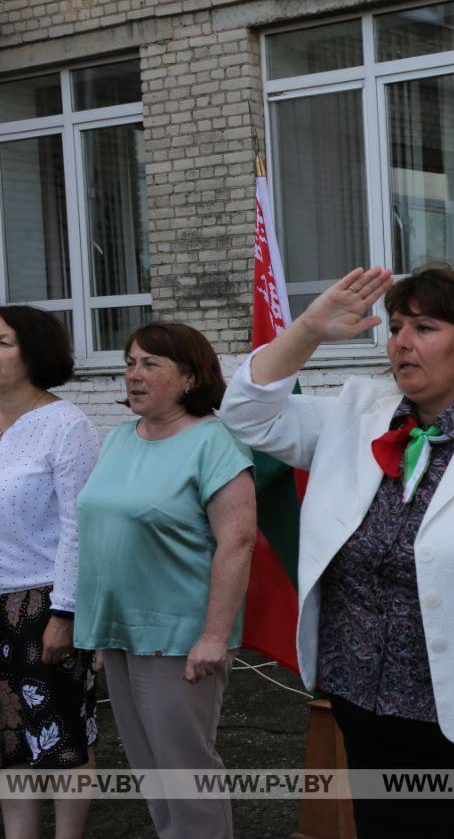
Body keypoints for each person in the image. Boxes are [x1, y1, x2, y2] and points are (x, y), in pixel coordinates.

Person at [219, 263, 454, 837]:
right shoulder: (355, 414)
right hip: (365, 702)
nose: (402, 342)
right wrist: (308, 331)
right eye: (396, 327)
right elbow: (244, 414)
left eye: (424, 328)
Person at [74, 323, 256, 839]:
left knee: (184, 772)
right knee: (150, 773)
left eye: (151, 364)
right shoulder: (116, 438)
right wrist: (105, 631)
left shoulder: (212, 443)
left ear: (191, 377)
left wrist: (215, 636)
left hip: (179, 637)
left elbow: (237, 542)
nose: (134, 374)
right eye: (130, 362)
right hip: (121, 633)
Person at [0, 306, 99, 839]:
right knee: (11, 739)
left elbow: (79, 528)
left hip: (42, 603)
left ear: (33, 351)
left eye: (1, 342)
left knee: (60, 738)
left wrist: (64, 613)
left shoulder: (66, 425)